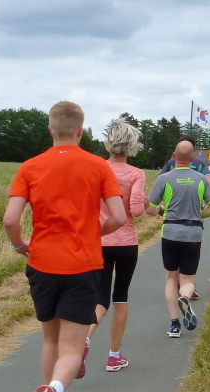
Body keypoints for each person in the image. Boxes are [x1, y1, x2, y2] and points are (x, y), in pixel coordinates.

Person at [3, 101, 126, 392]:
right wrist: (93, 233)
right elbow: (118, 217)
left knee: (50, 341)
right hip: (82, 264)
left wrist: (20, 246)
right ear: (80, 131)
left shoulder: (30, 167)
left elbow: (10, 219)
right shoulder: (99, 166)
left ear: (50, 130)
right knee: (73, 347)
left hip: (42, 263)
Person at [81, 118, 147, 376]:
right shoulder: (136, 174)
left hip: (100, 240)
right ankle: (114, 356)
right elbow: (136, 210)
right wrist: (148, 203)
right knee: (121, 297)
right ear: (131, 145)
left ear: (108, 143)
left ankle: (85, 338)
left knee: (100, 298)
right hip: (126, 241)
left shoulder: (95, 169)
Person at [146, 141, 210, 338]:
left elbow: (149, 209)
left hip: (170, 232)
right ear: (193, 157)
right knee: (187, 280)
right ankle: (185, 297)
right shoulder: (201, 179)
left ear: (173, 156)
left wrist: (160, 209)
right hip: (193, 233)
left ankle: (174, 325)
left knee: (171, 278)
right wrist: (199, 214)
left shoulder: (164, 178)